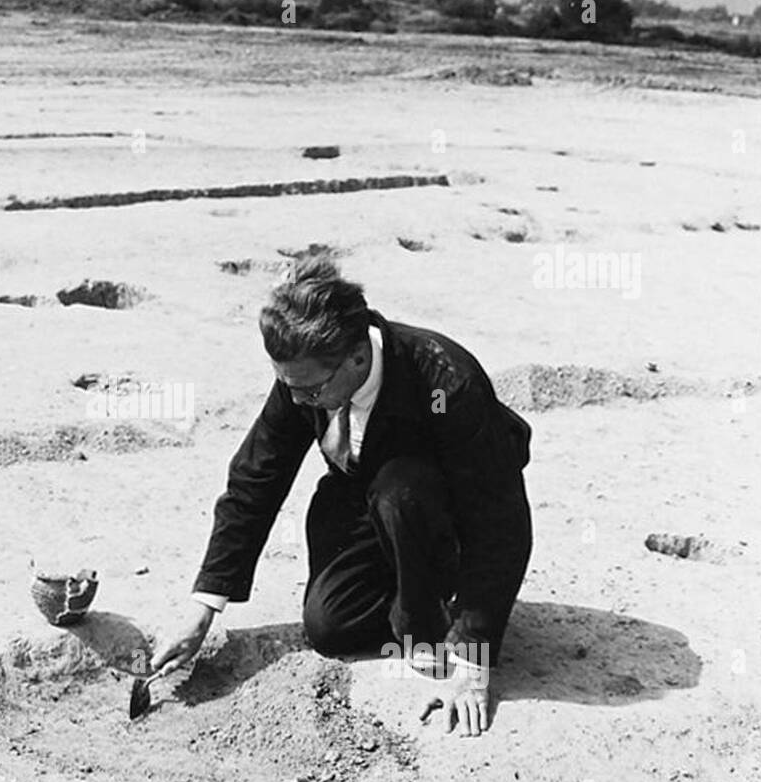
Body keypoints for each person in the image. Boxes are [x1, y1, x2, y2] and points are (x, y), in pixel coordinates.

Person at [150, 258, 533, 736]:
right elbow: (256, 476)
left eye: (309, 391)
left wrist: (473, 661)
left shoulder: (447, 382)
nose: (297, 402)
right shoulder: (304, 376)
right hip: (364, 502)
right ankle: (416, 601)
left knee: (402, 490)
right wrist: (204, 606)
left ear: (356, 357)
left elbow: (500, 521)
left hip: (441, 515)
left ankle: (432, 619)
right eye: (289, 386)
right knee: (329, 627)